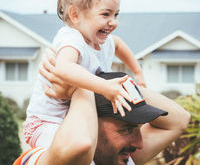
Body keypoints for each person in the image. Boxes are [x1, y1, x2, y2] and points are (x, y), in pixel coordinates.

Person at [24, 0, 146, 148]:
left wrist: (138, 72)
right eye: (106, 14)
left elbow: (119, 44)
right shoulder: (71, 38)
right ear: (75, 15)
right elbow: (65, 68)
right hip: (45, 122)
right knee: (79, 153)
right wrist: (105, 87)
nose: (113, 22)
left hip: (71, 120)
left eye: (116, 14)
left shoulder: (101, 42)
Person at [14, 55, 190, 165]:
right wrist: (81, 85)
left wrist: (115, 84)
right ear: (91, 123)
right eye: (127, 129)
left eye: (138, 128)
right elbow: (79, 145)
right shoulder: (41, 158)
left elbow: (180, 119)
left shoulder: (119, 159)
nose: (139, 143)